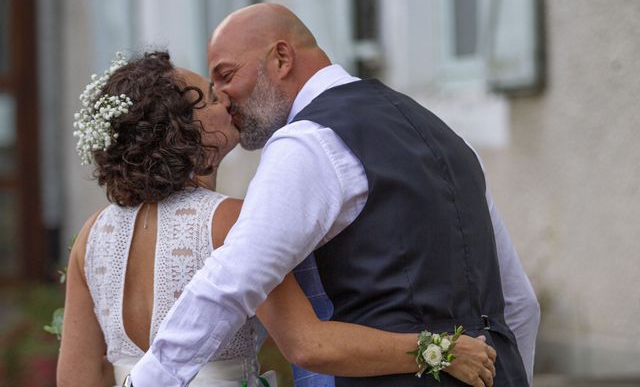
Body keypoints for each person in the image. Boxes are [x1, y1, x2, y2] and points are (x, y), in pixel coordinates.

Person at [129, 4, 541, 387]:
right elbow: (519, 304)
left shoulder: (308, 142)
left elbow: (233, 278)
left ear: (281, 59)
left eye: (225, 74)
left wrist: (146, 381)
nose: (221, 95)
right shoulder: (448, 138)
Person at [57, 51, 498, 387]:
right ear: (183, 131)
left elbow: (75, 378)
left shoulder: (91, 236)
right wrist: (437, 349)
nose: (225, 97)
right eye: (210, 97)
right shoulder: (228, 220)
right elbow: (308, 344)